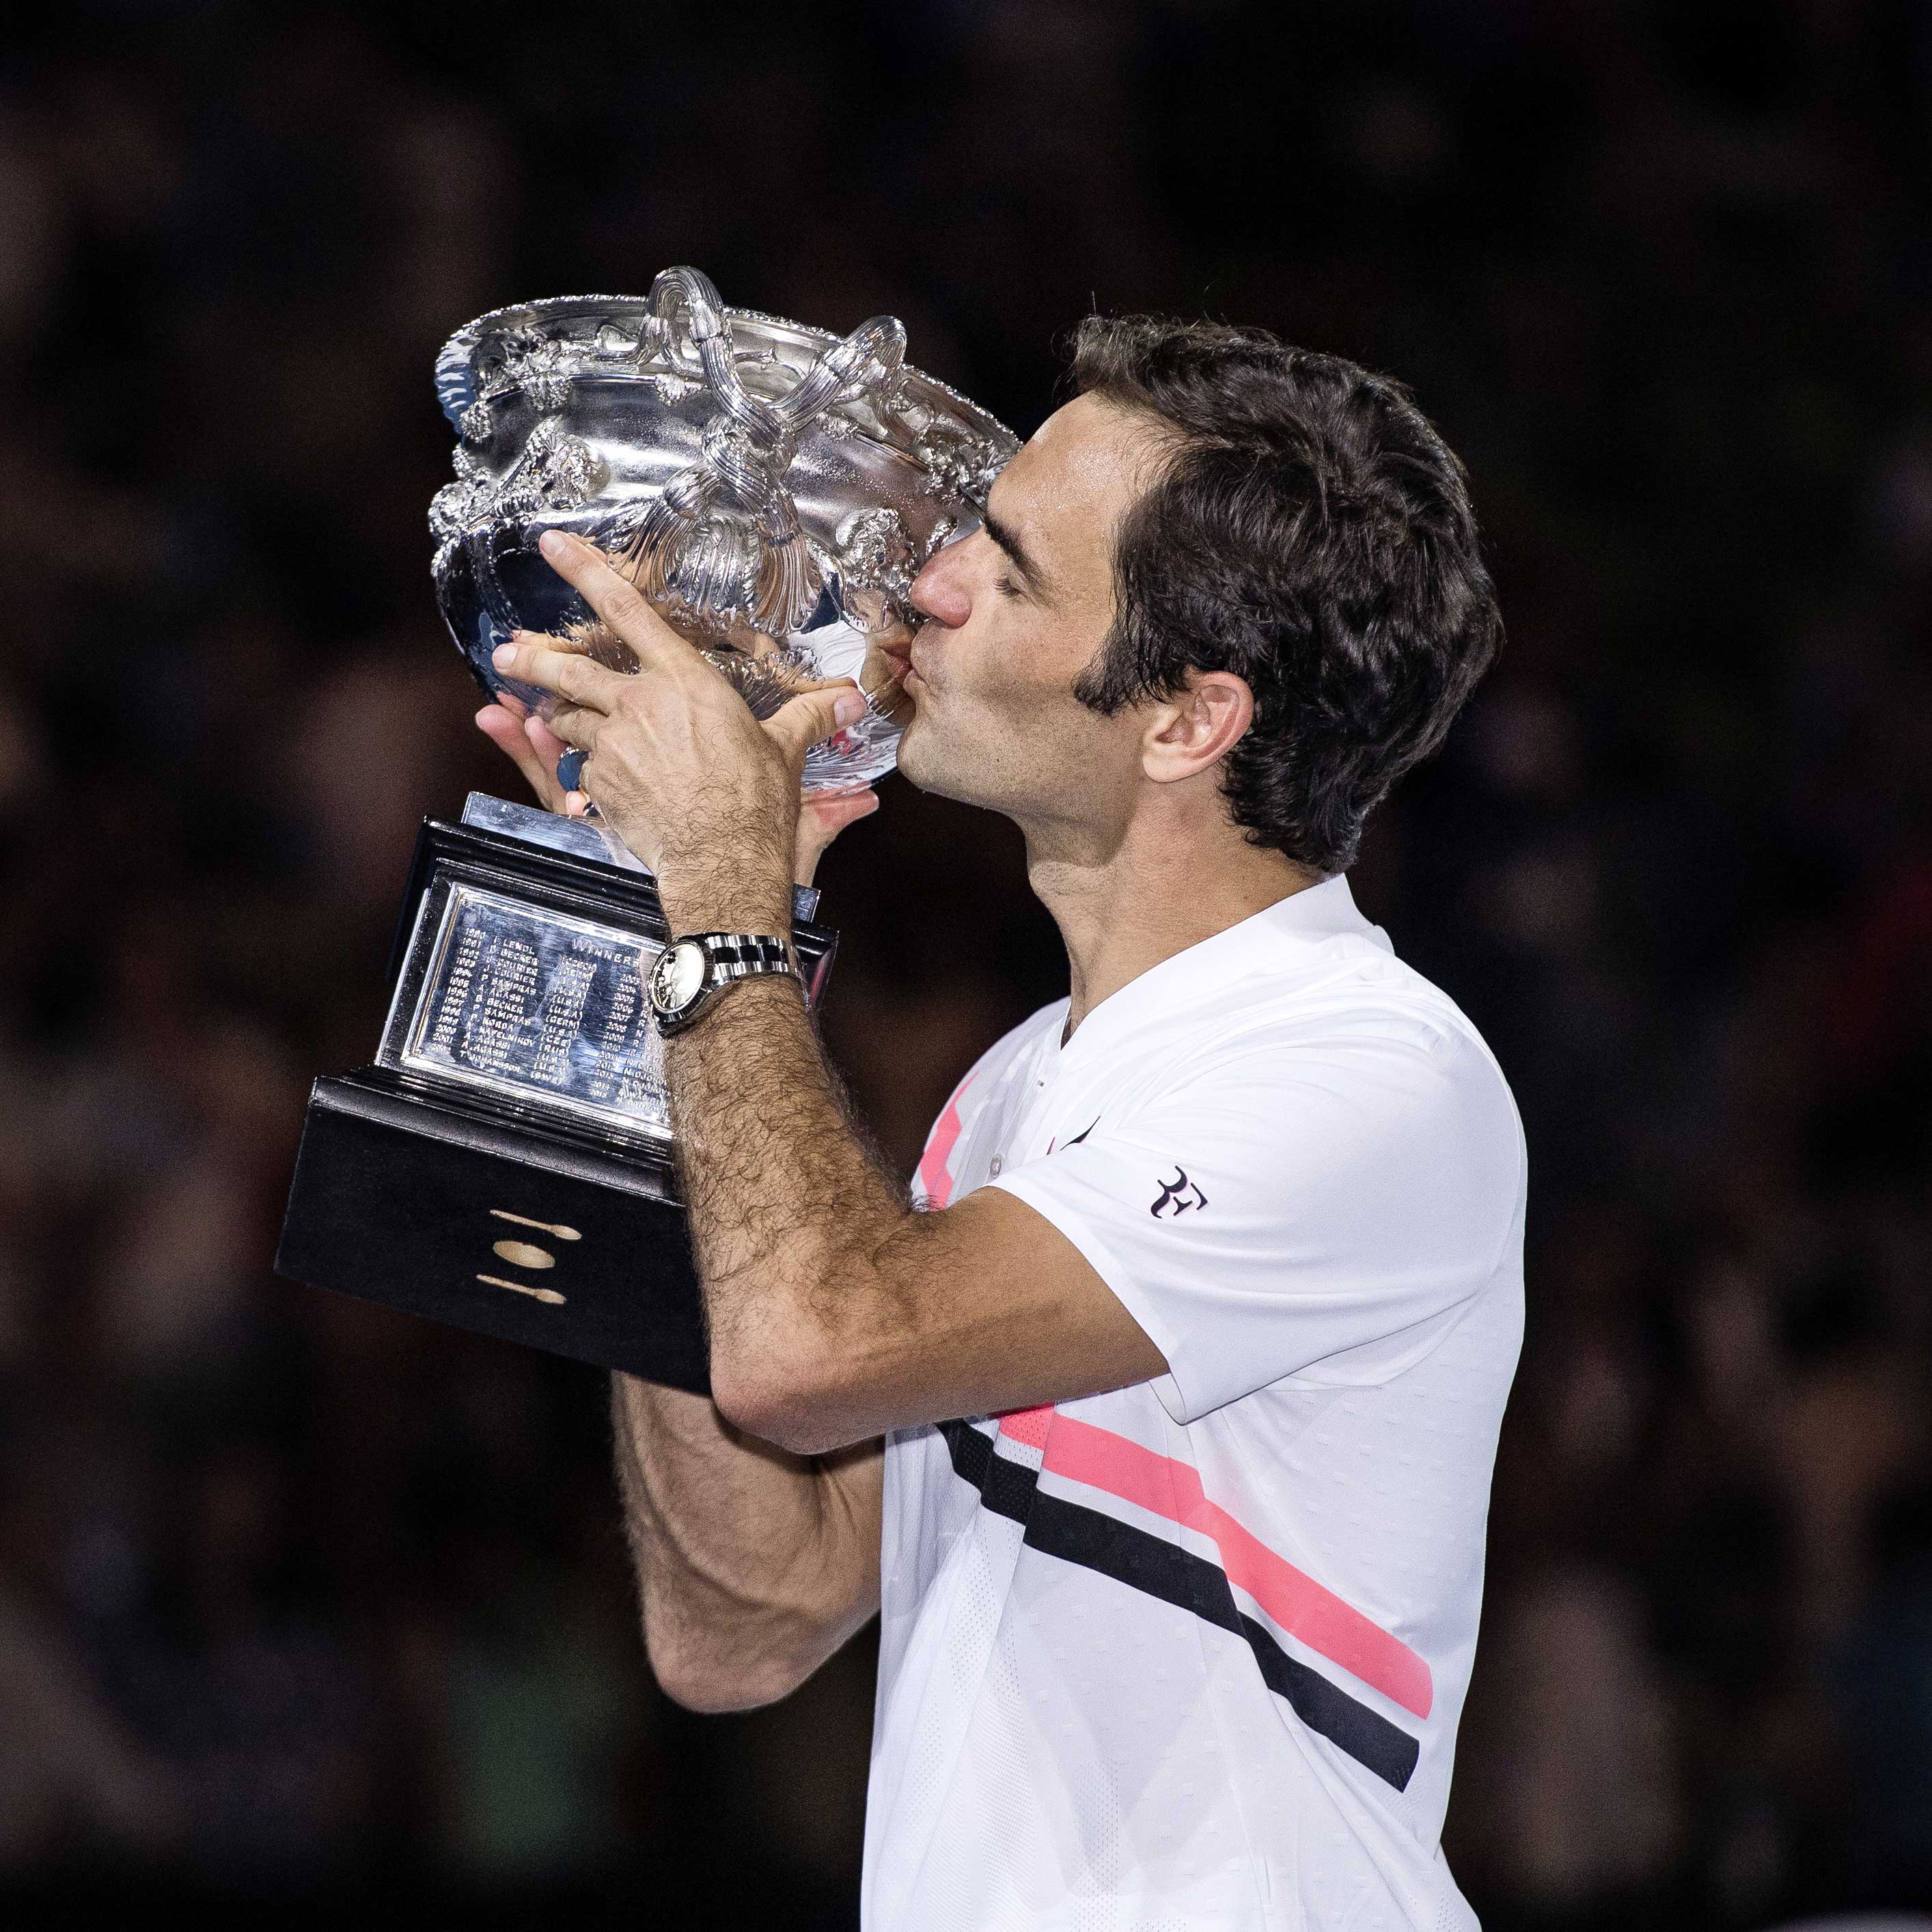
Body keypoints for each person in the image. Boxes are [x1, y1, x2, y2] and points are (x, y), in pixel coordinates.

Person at [478, 316, 1523, 1931]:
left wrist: (725, 913)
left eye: (1011, 568)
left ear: (1188, 719)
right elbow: (745, 1618)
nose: (928, 582)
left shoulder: (1370, 1074)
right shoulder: (1020, 1086)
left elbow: (807, 1342)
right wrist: (656, 958)